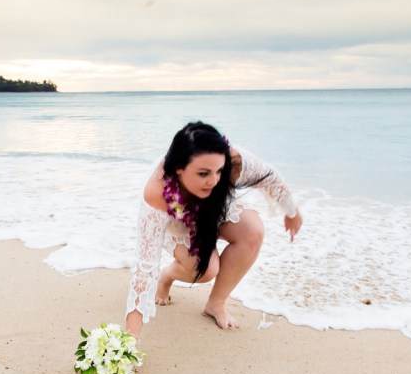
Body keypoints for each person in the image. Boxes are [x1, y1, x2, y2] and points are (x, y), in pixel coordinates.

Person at [124, 121, 302, 338]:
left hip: (214, 210)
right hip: (181, 223)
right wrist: (127, 345)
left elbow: (270, 177)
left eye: (219, 171)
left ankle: (215, 304)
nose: (214, 180)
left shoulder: (231, 160)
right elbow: (144, 269)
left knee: (253, 230)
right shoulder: (157, 195)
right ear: (179, 168)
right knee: (205, 270)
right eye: (203, 174)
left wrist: (292, 212)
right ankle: (168, 276)